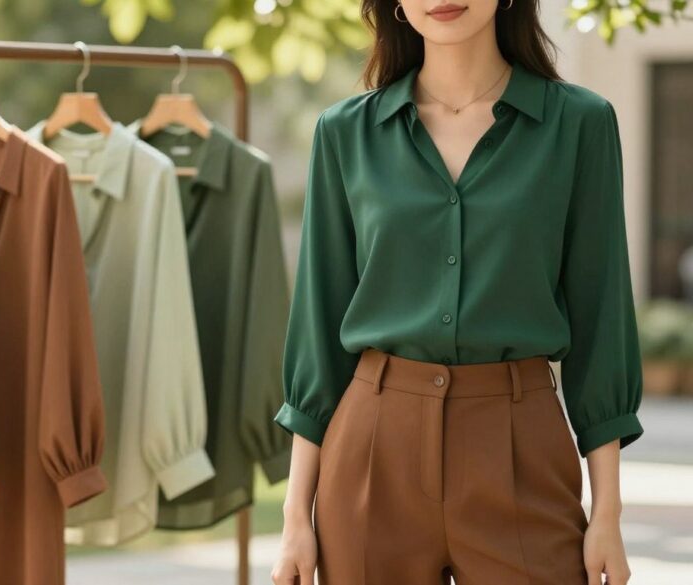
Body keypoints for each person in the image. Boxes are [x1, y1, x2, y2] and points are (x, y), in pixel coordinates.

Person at [270, 0, 644, 583]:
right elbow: (319, 328)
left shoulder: (579, 125)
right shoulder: (345, 133)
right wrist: (296, 516)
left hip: (521, 448)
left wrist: (608, 514)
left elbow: (603, 320)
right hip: (373, 452)